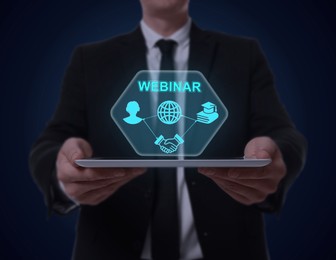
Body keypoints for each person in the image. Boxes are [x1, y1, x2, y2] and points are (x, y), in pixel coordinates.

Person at [29, 0, 307, 259]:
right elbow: (52, 142)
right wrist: (62, 172)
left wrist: (275, 158)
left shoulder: (242, 54)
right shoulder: (90, 59)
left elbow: (284, 134)